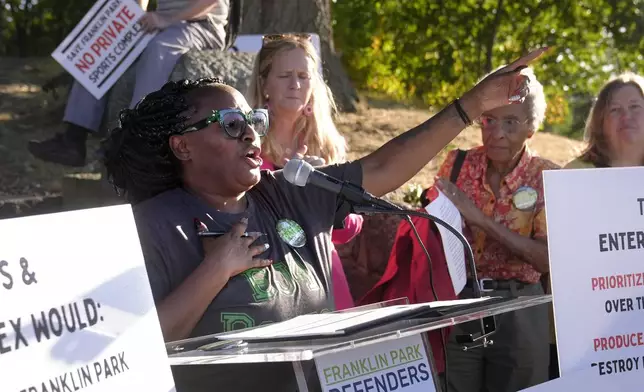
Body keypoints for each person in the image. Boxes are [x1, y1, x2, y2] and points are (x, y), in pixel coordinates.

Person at [101, 47, 546, 391]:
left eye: (253, 120)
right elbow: (135, 347)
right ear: (183, 147)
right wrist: (216, 269)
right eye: (231, 123)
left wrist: (470, 106)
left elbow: (383, 169)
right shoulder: (153, 225)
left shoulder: (289, 193)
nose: (252, 132)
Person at [427, 67, 557, 392]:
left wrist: (481, 220)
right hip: (462, 304)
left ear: (531, 127)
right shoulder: (457, 164)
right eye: (489, 120)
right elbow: (433, 230)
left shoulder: (547, 177)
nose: (496, 132)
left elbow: (546, 260)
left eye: (510, 122)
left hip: (521, 308)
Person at [28, 0, 230, 167]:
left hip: (202, 24)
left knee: (158, 49)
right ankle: (73, 138)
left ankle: (135, 135)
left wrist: (164, 19)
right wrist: (131, 15)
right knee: (103, 41)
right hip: (163, 23)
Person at [247, 34, 362, 310]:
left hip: (323, 271)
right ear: (264, 84)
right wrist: (291, 187)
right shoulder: (246, 139)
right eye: (285, 75)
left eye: (304, 76)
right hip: (268, 274)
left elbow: (351, 226)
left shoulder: (327, 144)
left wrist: (325, 190)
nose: (296, 84)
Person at [565, 72, 644, 169]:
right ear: (600, 121)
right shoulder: (576, 173)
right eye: (615, 109)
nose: (626, 116)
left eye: (634, 106)